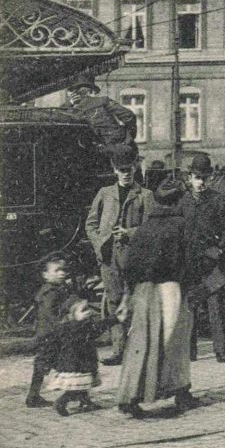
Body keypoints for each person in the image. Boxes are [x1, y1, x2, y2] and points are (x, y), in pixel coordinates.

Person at [117, 178, 203, 418]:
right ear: (178, 201)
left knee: (141, 343)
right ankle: (180, 393)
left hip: (143, 291)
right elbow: (191, 261)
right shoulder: (182, 225)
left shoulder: (145, 228)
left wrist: (130, 292)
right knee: (175, 342)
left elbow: (129, 264)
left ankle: (130, 396)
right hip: (171, 289)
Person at [84, 150, 154, 365]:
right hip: (108, 258)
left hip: (134, 257)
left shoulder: (145, 195)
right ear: (115, 171)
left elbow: (151, 227)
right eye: (121, 171)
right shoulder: (105, 193)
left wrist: (129, 233)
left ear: (134, 169)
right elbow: (91, 224)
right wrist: (98, 244)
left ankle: (138, 349)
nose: (126, 174)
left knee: (136, 302)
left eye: (129, 170)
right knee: (114, 302)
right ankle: (118, 351)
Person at [179, 154, 225, 363]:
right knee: (191, 307)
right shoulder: (182, 203)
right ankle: (190, 351)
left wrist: (220, 249)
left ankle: (221, 351)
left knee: (216, 307)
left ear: (211, 178)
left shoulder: (219, 200)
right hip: (191, 264)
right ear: (189, 178)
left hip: (213, 263)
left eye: (205, 178)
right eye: (197, 177)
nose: (201, 182)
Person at [25, 258, 81, 407]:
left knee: (42, 365)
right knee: (73, 364)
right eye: (57, 270)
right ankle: (77, 396)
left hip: (46, 334)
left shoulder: (52, 289)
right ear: (45, 274)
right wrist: (68, 321)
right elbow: (52, 315)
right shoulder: (51, 292)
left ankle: (33, 395)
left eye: (64, 270)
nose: (62, 273)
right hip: (51, 335)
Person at [66, 79, 139, 156]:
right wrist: (129, 138)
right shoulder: (103, 100)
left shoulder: (71, 111)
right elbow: (129, 116)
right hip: (115, 146)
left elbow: (57, 118)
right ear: (91, 91)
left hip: (88, 151)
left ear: (75, 95)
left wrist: (69, 103)